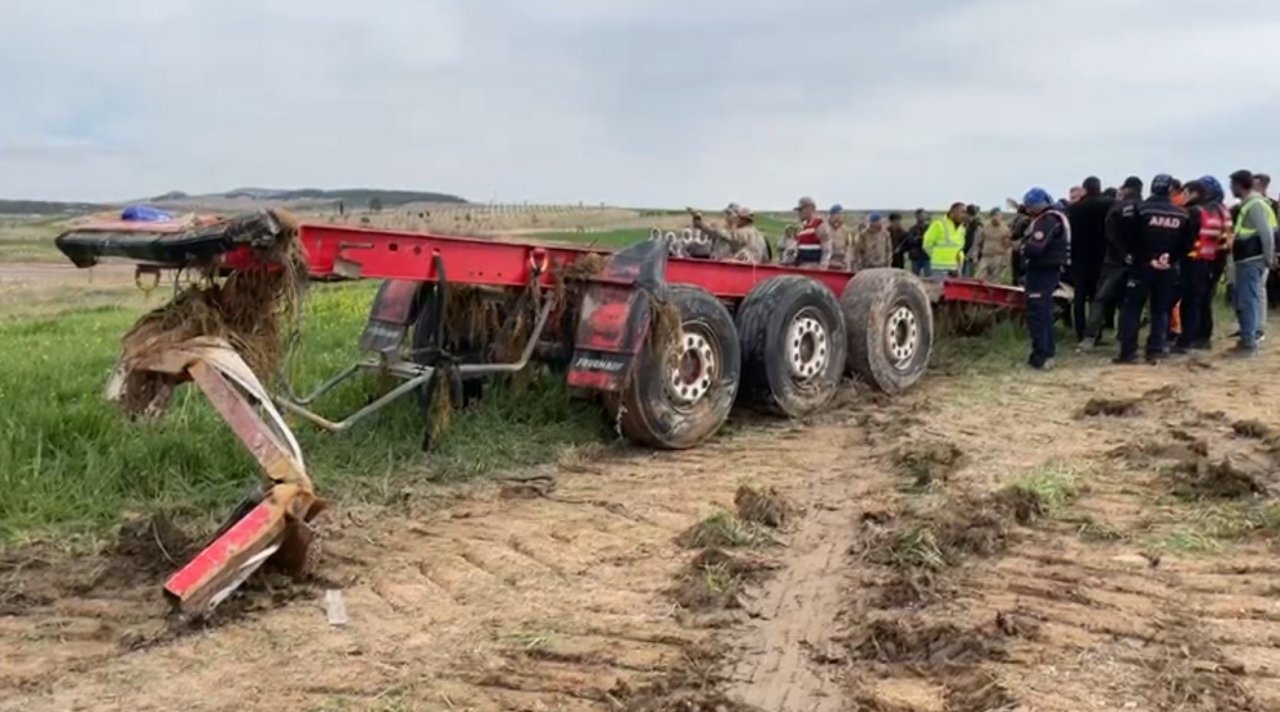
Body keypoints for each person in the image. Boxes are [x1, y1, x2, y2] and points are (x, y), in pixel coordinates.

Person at [1114, 174, 1195, 365]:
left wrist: (1141, 257)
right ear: (1170, 190)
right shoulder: (1182, 214)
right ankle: (1156, 350)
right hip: (1167, 267)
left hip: (1141, 265)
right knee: (1160, 310)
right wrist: (1170, 258)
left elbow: (1127, 236)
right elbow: (1188, 244)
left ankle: (1129, 352)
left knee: (1132, 309)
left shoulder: (1139, 209)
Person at [1082, 177, 1143, 349]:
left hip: (1113, 262)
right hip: (1137, 262)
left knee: (1100, 299)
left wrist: (1123, 255)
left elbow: (1110, 235)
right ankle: (1126, 337)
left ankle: (1090, 337)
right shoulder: (1145, 209)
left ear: (1127, 189)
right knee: (1129, 302)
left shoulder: (1117, 208)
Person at [1174, 178, 1231, 352]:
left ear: (1194, 193)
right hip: (1212, 260)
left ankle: (1187, 340)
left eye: (1184, 192)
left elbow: (1184, 239)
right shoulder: (1218, 211)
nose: (1182, 196)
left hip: (1193, 261)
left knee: (1190, 302)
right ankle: (1203, 337)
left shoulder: (1192, 212)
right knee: (1203, 301)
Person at [1228, 170, 1278, 355]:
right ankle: (1248, 338)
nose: (1231, 189)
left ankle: (1248, 344)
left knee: (1248, 301)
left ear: (1239, 185)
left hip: (1251, 259)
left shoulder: (1255, 204)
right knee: (1250, 299)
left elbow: (1266, 234)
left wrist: (1268, 257)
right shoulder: (1251, 204)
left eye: (1232, 185)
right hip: (1248, 259)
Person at [1019, 188, 1070, 370]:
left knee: (1038, 314)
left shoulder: (1047, 220)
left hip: (1042, 272)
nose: (1029, 211)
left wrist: (1023, 248)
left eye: (1030, 207)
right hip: (1050, 271)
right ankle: (1046, 353)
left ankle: (1041, 355)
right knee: (1045, 313)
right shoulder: (1057, 217)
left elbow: (1036, 248)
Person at [1068, 176, 1115, 344]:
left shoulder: (1075, 209)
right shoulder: (1109, 205)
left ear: (1085, 189)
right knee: (1098, 298)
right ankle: (1096, 333)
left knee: (1079, 298)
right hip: (1102, 257)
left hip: (1079, 257)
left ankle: (1080, 332)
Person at [691, 205, 769, 263]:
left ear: (743, 219)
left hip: (744, 270)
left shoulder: (741, 233)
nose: (736, 219)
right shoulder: (760, 235)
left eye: (738, 217)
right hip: (757, 272)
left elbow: (719, 233)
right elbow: (766, 258)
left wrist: (700, 224)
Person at [923, 203, 968, 277]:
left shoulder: (962, 229)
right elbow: (927, 244)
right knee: (939, 288)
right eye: (962, 212)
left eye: (966, 212)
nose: (964, 215)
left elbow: (959, 249)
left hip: (955, 270)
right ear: (952, 213)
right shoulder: (939, 224)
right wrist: (937, 257)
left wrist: (959, 265)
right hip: (940, 270)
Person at [787, 196, 833, 268]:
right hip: (801, 267)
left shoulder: (820, 225)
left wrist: (822, 267)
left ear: (810, 208)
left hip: (814, 268)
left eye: (801, 210)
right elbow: (796, 248)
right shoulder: (802, 227)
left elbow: (827, 250)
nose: (799, 213)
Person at [975, 207, 1013, 282]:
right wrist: (976, 254)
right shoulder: (986, 226)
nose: (996, 218)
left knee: (994, 280)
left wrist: (1005, 262)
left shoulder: (1005, 229)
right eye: (994, 215)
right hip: (986, 255)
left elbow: (1008, 246)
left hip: (998, 257)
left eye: (998, 215)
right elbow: (979, 241)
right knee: (979, 278)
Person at [902, 209, 931, 275]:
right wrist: (919, 239)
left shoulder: (930, 228)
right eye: (919, 216)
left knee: (929, 278)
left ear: (925, 216)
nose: (921, 218)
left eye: (922, 216)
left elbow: (931, 240)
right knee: (914, 277)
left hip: (927, 256)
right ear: (916, 217)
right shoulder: (912, 229)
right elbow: (910, 241)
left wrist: (921, 239)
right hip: (915, 257)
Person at [826, 204, 854, 270]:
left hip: (842, 263)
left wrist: (847, 264)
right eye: (837, 214)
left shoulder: (846, 230)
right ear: (831, 215)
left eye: (841, 214)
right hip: (828, 263)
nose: (840, 216)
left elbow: (848, 248)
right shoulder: (825, 228)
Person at [962, 204, 982, 277]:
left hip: (971, 256)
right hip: (964, 254)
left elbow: (976, 242)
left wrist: (972, 255)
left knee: (969, 277)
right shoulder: (966, 225)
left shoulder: (977, 226)